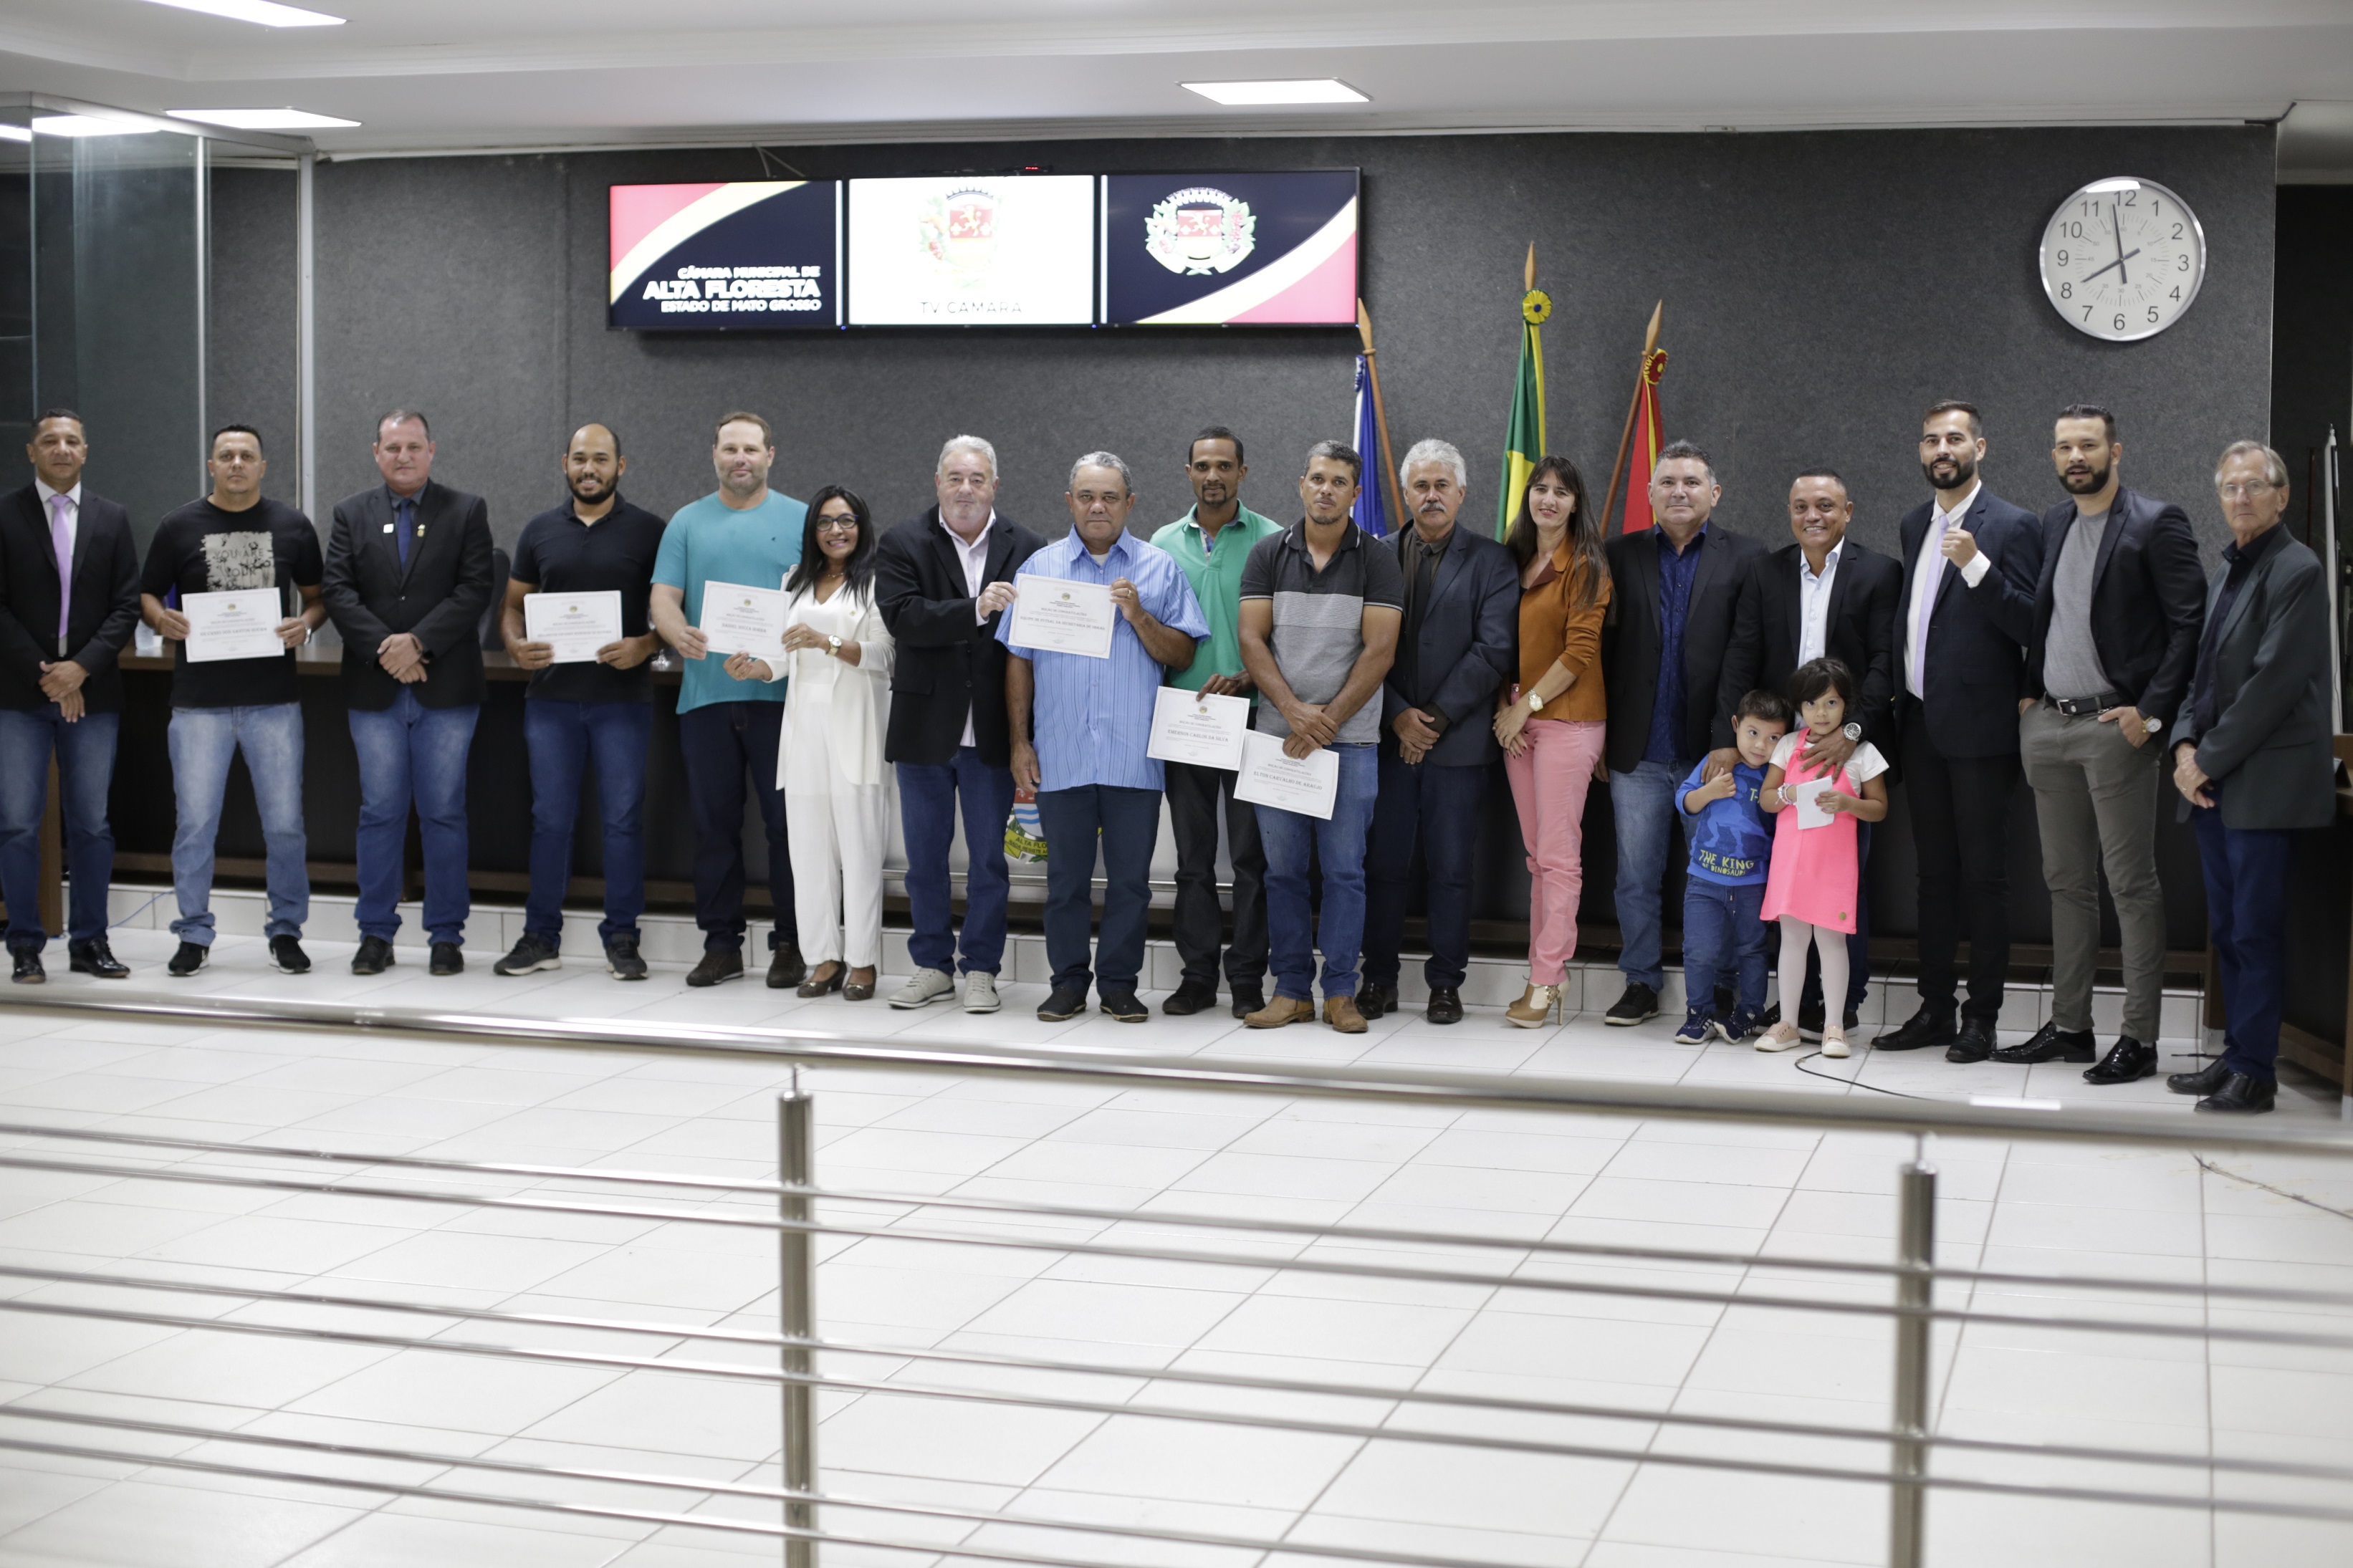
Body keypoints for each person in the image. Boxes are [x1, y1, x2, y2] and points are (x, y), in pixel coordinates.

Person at [1998, 406, 2205, 1071]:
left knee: (2130, 884)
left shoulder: (2156, 522)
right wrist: (2030, 693)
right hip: (2050, 725)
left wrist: (2149, 714)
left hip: (2115, 728)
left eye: (2087, 445)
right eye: (2064, 447)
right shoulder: (2053, 521)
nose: (2075, 456)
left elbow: (2189, 625)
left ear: (2117, 449)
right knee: (2065, 883)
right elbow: (2043, 613)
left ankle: (2140, 1038)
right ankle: (2070, 1027)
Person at [2157, 442, 2335, 1114]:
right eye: (2229, 488)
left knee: (2256, 930)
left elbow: (2274, 685)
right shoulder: (2228, 569)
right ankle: (2237, 1055)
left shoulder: (2298, 568)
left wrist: (2206, 759)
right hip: (2213, 781)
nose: (2240, 498)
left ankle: (2256, 1071)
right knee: (2228, 929)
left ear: (2282, 496)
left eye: (2254, 487)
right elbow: (2199, 677)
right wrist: (2181, 747)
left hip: (2262, 783)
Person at [1003, 453, 1207, 1023]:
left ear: (1129, 504)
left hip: (1132, 756)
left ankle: (1119, 984)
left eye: (1110, 497)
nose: (1098, 506)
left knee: (1131, 884)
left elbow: (1184, 652)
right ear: (1069, 502)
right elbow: (1017, 660)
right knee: (1064, 882)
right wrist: (1020, 743)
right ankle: (1067, 983)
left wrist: (1139, 615)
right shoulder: (1038, 570)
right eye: (1087, 495)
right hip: (1060, 753)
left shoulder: (1158, 568)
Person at [1875, 402, 2041, 1063]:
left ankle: (1983, 1016)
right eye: (1931, 439)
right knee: (1933, 877)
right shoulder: (1916, 521)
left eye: (1954, 438)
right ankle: (1935, 1008)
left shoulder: (2014, 525)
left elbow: (2030, 622)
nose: (1941, 448)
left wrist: (1977, 565)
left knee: (1985, 879)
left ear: (1981, 446)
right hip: (1920, 723)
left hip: (1980, 731)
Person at [1714, 470, 1901, 1039]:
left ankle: (1840, 1002)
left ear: (1849, 509)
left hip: (1847, 754)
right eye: (1800, 506)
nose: (1812, 515)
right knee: (1786, 886)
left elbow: (1884, 659)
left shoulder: (1879, 572)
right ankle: (1791, 1004)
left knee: (1842, 885)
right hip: (1780, 755)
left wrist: (1853, 732)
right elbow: (1742, 652)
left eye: (1825, 505)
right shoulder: (1766, 571)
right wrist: (1732, 741)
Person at [140, 424, 327, 978]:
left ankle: (287, 930)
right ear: (211, 465)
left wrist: (306, 625)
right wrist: (160, 618)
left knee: (286, 824)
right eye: (227, 455)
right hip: (198, 703)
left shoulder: (293, 526)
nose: (237, 463)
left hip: (274, 701)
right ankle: (193, 933)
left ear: (264, 466)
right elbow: (146, 592)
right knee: (195, 823)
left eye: (247, 455)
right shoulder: (178, 526)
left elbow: (318, 599)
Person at [1237, 441, 1402, 1034]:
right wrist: (1292, 712)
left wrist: (1325, 720)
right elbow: (1252, 640)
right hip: (1278, 740)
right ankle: (1289, 991)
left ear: (1356, 493)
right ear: (1301, 485)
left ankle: (1338, 991)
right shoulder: (1265, 554)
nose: (1326, 489)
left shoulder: (1379, 559)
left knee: (1345, 872)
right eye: (1317, 479)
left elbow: (1381, 650)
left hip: (1350, 742)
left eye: (1339, 481)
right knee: (1281, 873)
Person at [874, 435, 1043, 1014]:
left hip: (994, 731)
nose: (966, 489)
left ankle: (981, 968)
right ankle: (930, 965)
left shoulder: (1030, 546)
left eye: (977, 478)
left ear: (995, 484)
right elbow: (904, 618)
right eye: (955, 478)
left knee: (989, 862)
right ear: (937, 484)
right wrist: (975, 608)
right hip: (925, 727)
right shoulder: (902, 541)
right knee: (924, 859)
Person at [324, 410, 496, 978]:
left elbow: (475, 588)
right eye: (393, 446)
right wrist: (387, 648)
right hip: (375, 687)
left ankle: (446, 935)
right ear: (376, 452)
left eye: (414, 446)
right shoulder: (351, 512)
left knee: (444, 811)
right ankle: (376, 933)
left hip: (445, 686)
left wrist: (418, 643)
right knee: (380, 812)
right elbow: (338, 590)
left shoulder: (466, 510)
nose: (403, 456)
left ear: (432, 451)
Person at [492, 422, 666, 982]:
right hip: (551, 702)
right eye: (580, 459)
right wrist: (516, 644)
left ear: (622, 465)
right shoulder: (539, 530)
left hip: (622, 701)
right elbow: (513, 606)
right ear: (564, 463)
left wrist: (646, 643)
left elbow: (670, 609)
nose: (589, 469)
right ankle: (540, 936)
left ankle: (622, 937)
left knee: (621, 821)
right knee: (550, 821)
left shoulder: (649, 531)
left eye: (601, 459)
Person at [1599, 441, 1765, 1026]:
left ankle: (1721, 987)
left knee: (1721, 876)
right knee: (1636, 876)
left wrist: (1728, 738)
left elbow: (1746, 654)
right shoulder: (1617, 554)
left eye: (1692, 482)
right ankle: (1641, 981)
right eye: (1667, 482)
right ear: (1649, 494)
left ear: (1713, 494)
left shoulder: (1747, 558)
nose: (1679, 491)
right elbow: (1601, 652)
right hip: (1636, 750)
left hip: (1711, 752)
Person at [649, 411, 808, 990]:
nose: (740, 458)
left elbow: (821, 596)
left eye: (750, 449)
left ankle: (791, 942)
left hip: (782, 697)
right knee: (713, 827)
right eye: (729, 449)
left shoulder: (801, 519)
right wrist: (673, 630)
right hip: (707, 698)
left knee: (786, 828)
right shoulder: (687, 523)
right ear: (714, 455)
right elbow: (664, 596)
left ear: (771, 454)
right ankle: (721, 944)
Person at [1361, 438, 1517, 1025]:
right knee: (1383, 866)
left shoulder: (1493, 560)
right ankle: (1378, 979)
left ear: (1462, 493)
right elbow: (1358, 644)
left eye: (1441, 485)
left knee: (1452, 869)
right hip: (1384, 737)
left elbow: (1494, 647)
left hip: (1458, 742)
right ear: (1405, 493)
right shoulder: (1373, 555)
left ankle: (1445, 984)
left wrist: (1433, 719)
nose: (1431, 496)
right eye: (1420, 486)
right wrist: (1397, 712)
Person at [731, 487, 895, 1002]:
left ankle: (863, 961)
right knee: (807, 851)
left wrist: (827, 642)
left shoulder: (876, 582)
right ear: (813, 530)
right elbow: (783, 657)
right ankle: (823, 958)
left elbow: (885, 657)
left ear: (862, 525)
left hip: (857, 725)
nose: (836, 530)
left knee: (861, 851)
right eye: (826, 522)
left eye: (847, 520)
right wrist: (755, 668)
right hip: (803, 728)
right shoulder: (793, 581)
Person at [0, 410, 139, 983]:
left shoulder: (112, 517)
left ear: (86, 451)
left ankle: (90, 941)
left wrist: (79, 669)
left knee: (92, 823)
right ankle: (26, 944)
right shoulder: (5, 515)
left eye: (72, 441)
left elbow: (126, 604)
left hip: (93, 693)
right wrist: (48, 675)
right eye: (50, 441)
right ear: (31, 451)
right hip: (18, 693)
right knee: (17, 824)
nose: (61, 449)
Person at [1151, 427, 1282, 1019]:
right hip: (1186, 718)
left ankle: (1249, 977)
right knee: (1193, 861)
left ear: (1243, 473)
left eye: (1224, 465)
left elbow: (1289, 637)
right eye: (1202, 464)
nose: (1213, 475)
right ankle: (1198, 975)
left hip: (1255, 716)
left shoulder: (1274, 540)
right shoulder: (1161, 543)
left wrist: (1252, 677)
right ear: (1188, 472)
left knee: (1254, 859)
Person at [1495, 455, 1611, 1029]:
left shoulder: (1586, 563)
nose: (1549, 499)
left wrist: (1524, 707)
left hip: (1566, 720)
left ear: (1575, 503)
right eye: (1540, 489)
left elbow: (1578, 653)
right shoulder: (1513, 559)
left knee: (1559, 859)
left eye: (1561, 492)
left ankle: (1546, 980)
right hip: (1517, 720)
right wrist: (1505, 706)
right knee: (1538, 858)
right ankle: (1545, 974)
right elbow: (1500, 640)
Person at [1757, 658, 1891, 1059]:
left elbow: (1880, 808)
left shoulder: (1863, 752)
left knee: (1832, 941)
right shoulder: (1786, 746)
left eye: (1831, 703)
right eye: (1812, 704)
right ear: (1799, 707)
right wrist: (1788, 796)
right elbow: (1766, 799)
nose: (1821, 713)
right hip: (1791, 860)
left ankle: (1835, 1026)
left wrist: (1849, 802)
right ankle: (1789, 1024)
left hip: (1834, 865)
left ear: (1846, 705)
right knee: (1793, 939)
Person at [1674, 690, 1791, 1044]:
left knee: (1753, 948)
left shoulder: (1774, 776)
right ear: (1736, 725)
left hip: (1753, 883)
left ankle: (1751, 1009)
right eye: (1753, 733)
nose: (1760, 746)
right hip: (1703, 881)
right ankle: (1699, 1013)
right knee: (1698, 950)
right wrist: (1709, 791)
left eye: (1773, 738)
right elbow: (1684, 801)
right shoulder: (1719, 764)